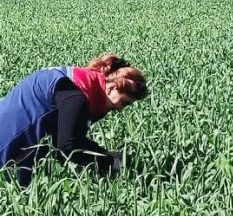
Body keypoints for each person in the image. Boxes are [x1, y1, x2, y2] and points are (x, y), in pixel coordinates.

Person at [1, 54, 148, 186]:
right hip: (7, 149)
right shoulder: (75, 96)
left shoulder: (75, 79)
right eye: (124, 102)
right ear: (111, 88)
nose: (121, 109)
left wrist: (103, 155)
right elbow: (69, 145)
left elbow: (63, 140)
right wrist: (111, 163)